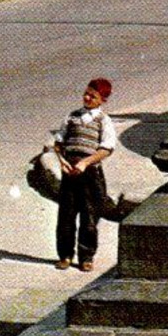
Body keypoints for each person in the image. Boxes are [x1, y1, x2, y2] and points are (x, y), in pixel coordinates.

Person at [53, 77, 117, 272]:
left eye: (93, 96)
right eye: (86, 93)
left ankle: (86, 256)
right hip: (69, 173)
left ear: (102, 100)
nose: (87, 98)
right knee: (66, 216)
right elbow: (58, 143)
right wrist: (63, 162)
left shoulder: (103, 121)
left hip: (90, 174)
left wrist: (85, 163)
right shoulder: (72, 117)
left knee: (89, 217)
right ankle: (65, 255)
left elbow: (106, 149)